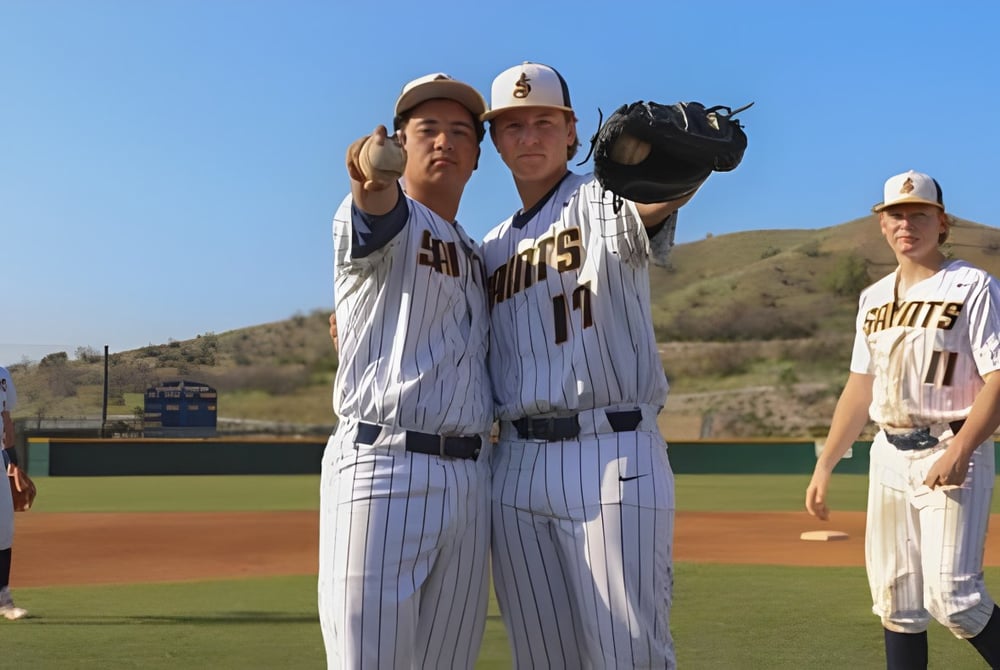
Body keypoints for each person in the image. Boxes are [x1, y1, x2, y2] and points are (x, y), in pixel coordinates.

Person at [480, 61, 700, 668]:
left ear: (572, 130)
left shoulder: (600, 198)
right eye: (513, 125)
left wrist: (687, 166)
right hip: (516, 464)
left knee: (629, 655)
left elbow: (656, 198)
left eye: (544, 122)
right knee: (543, 658)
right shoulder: (489, 248)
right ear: (495, 140)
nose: (529, 136)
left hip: (610, 450)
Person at [318, 73, 493, 669]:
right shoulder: (389, 219)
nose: (444, 140)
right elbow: (374, 202)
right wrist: (371, 171)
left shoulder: (477, 253)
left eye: (460, 132)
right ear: (400, 139)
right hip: (382, 469)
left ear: (477, 155)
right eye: (427, 129)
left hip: (471, 480)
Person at [806, 170, 1000, 668]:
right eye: (896, 214)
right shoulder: (872, 299)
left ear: (942, 223)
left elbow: (998, 377)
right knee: (897, 603)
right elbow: (859, 387)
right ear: (882, 225)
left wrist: (961, 450)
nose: (906, 223)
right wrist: (826, 463)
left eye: (919, 214)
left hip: (950, 447)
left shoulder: (972, 286)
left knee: (956, 601)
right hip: (889, 455)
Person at [0, 365, 27, 620]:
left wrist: (12, 458)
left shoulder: (2, 375)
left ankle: (3, 600)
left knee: (4, 529)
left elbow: (6, 417)